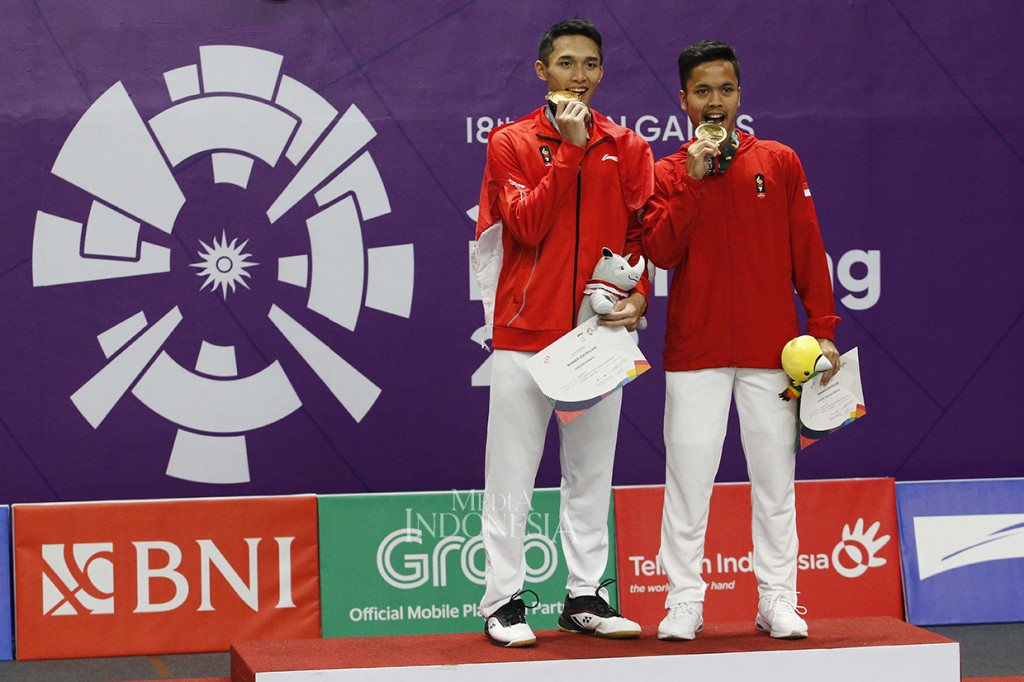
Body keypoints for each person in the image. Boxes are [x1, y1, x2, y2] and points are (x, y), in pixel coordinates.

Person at [641, 40, 841, 641]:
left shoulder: (779, 161)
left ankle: (778, 598)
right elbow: (659, 252)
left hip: (771, 354)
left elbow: (808, 250)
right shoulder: (669, 172)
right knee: (688, 483)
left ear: (739, 95)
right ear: (682, 100)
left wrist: (823, 332)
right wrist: (695, 182)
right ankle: (683, 602)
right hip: (695, 354)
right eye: (703, 91)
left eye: (725, 90)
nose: (715, 102)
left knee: (775, 482)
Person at [471, 17, 652, 647]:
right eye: (567, 63)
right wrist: (571, 150)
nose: (579, 74)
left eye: (590, 64)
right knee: (512, 477)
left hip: (597, 340)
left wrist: (638, 299)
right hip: (525, 337)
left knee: (590, 474)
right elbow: (523, 224)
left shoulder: (628, 147)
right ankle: (503, 602)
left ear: (602, 72)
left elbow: (637, 241)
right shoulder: (510, 142)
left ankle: (584, 596)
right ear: (542, 71)